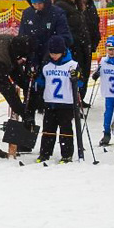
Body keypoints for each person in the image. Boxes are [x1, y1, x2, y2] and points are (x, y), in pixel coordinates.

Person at [18, 0, 72, 117]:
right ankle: (29, 119)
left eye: (40, 3)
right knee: (30, 93)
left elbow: (65, 37)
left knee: (48, 97)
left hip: (52, 59)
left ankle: (51, 115)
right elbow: (22, 36)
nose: (37, 6)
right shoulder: (27, 14)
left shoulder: (57, 13)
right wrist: (22, 53)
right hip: (33, 59)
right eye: (34, 3)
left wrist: (51, 51)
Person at [37, 36, 79, 164]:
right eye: (51, 53)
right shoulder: (47, 65)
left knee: (65, 130)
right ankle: (44, 153)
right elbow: (41, 81)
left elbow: (81, 82)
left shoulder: (72, 65)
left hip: (66, 103)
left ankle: (66, 154)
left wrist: (76, 77)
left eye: (56, 53)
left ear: (63, 51)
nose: (53, 56)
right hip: (50, 102)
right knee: (48, 130)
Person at [53, 0, 91, 99]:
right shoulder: (60, 6)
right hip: (71, 46)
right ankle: (72, 100)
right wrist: (72, 39)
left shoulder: (77, 6)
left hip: (80, 45)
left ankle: (77, 99)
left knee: (80, 73)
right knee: (73, 74)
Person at [78, 0, 102, 98]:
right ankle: (74, 99)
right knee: (76, 73)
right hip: (76, 46)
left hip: (88, 45)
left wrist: (95, 41)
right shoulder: (75, 5)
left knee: (86, 73)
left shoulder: (92, 6)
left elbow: (95, 25)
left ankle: (81, 97)